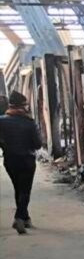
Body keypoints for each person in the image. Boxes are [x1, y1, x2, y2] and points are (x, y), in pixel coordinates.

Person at [0, 91, 41, 234]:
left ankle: (25, 218)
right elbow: (37, 144)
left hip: (10, 160)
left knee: (18, 188)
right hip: (26, 160)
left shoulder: (1, 121)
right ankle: (19, 218)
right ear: (23, 106)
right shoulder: (29, 122)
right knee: (25, 190)